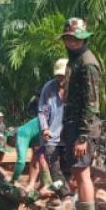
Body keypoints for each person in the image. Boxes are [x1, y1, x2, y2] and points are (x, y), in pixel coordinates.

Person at [58, 18, 103, 210]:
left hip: (82, 128)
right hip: (73, 125)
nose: (71, 42)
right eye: (68, 38)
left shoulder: (87, 63)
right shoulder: (74, 61)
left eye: (75, 39)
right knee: (78, 172)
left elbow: (92, 103)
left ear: (83, 38)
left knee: (83, 174)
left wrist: (83, 136)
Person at [37, 59, 68, 196]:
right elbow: (42, 111)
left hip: (69, 137)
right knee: (55, 168)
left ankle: (66, 193)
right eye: (58, 76)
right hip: (52, 136)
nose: (60, 79)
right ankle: (65, 196)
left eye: (63, 76)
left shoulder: (75, 89)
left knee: (69, 168)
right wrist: (45, 128)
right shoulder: (48, 88)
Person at [10, 117, 51, 188]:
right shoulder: (28, 133)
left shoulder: (21, 135)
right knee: (35, 159)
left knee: (39, 158)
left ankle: (43, 184)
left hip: (42, 131)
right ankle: (43, 184)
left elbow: (22, 162)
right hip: (28, 133)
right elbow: (23, 162)